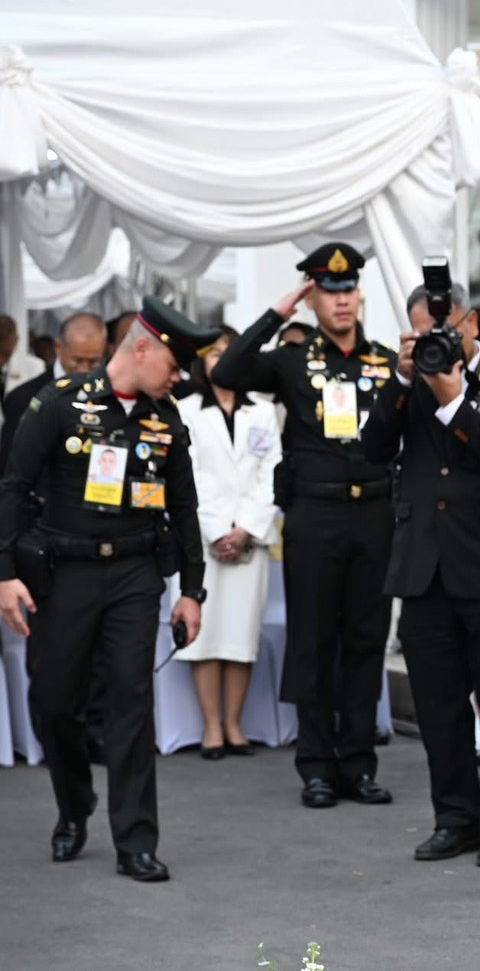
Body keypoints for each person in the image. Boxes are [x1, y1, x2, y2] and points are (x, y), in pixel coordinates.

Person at [0, 297, 215, 882]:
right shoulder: (58, 404)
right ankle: (74, 807)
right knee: (55, 702)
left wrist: (191, 591)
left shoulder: (165, 418)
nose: (178, 378)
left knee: (130, 703)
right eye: (173, 365)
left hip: (133, 575)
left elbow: (186, 508)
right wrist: (4, 575)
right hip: (63, 574)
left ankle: (135, 840)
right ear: (141, 349)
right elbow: (13, 488)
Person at [359, 281, 480, 866]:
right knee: (439, 705)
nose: (434, 341)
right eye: (421, 333)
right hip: (423, 569)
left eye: (442, 330)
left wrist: (453, 401)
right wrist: (405, 378)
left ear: (469, 323)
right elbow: (371, 448)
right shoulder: (407, 383)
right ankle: (455, 817)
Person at [213, 242, 398, 810]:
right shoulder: (292, 360)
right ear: (312, 297)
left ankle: (358, 762)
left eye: (347, 290)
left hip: (373, 512)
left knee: (366, 639)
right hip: (315, 514)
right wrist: (278, 313)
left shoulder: (386, 362)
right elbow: (228, 369)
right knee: (315, 638)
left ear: (360, 294)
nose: (341, 302)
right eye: (328, 291)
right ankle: (317, 765)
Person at [175, 325, 282, 759]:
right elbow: (189, 477)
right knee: (206, 633)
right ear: (201, 361)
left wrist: (246, 528)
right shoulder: (185, 410)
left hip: (249, 539)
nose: (222, 360)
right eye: (214, 353)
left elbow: (271, 472)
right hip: (204, 539)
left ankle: (235, 724)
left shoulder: (262, 411)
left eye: (230, 352)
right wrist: (219, 529)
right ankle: (211, 727)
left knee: (241, 634)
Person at [2, 313, 109, 474]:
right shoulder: (23, 397)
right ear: (59, 347)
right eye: (77, 360)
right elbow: (8, 469)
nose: (84, 369)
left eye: (94, 362)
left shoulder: (110, 398)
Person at [0, 313, 46, 409]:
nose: (1, 360)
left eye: (6, 354)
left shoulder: (34, 367)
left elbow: (38, 405)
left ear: (16, 340)